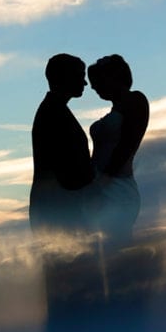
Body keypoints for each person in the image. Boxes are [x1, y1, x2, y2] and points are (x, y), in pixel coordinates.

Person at [85, 54, 148, 246]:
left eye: (97, 82)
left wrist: (103, 181)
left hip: (117, 188)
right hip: (101, 186)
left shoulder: (136, 100)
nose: (94, 87)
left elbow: (127, 146)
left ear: (112, 78)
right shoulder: (115, 111)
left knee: (117, 247)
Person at [30, 53, 95, 235]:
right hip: (60, 211)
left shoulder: (54, 110)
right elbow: (69, 172)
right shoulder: (53, 113)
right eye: (80, 76)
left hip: (57, 207)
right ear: (65, 77)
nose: (85, 83)